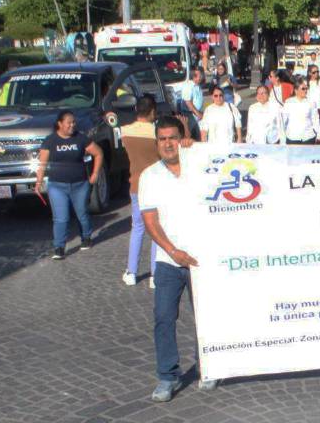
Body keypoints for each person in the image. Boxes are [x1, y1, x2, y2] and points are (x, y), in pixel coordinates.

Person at [140, 116, 219, 402]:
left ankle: (208, 366)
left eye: (173, 137)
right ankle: (168, 376)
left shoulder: (200, 167)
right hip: (168, 260)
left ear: (181, 138)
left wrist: (197, 148)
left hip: (201, 259)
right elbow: (150, 222)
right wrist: (173, 251)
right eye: (162, 139)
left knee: (205, 316)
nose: (168, 144)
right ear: (156, 142)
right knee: (163, 318)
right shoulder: (149, 176)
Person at [34, 111, 103, 260]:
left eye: (74, 122)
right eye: (69, 123)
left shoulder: (81, 138)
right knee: (61, 218)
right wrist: (38, 182)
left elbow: (98, 153)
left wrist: (95, 173)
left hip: (80, 184)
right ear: (60, 124)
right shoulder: (50, 140)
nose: (72, 125)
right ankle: (59, 247)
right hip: (57, 186)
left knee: (82, 214)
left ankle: (86, 237)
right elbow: (42, 163)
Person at [120, 95, 159, 287]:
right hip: (156, 185)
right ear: (152, 111)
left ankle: (131, 272)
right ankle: (155, 275)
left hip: (136, 184)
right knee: (157, 229)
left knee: (137, 227)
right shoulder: (157, 132)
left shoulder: (125, 131)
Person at [282, 76, 320, 144]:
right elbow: (283, 120)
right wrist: (282, 137)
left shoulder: (311, 102)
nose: (305, 90)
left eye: (306, 88)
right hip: (292, 137)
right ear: (296, 90)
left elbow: (315, 119)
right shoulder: (288, 102)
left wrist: (319, 134)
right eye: (303, 89)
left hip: (308, 137)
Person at [181, 68, 204, 138]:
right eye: (199, 76)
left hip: (196, 115)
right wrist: (198, 114)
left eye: (201, 75)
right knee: (191, 136)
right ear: (194, 76)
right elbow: (188, 102)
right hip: (189, 115)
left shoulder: (198, 86)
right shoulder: (188, 86)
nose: (201, 77)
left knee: (198, 136)